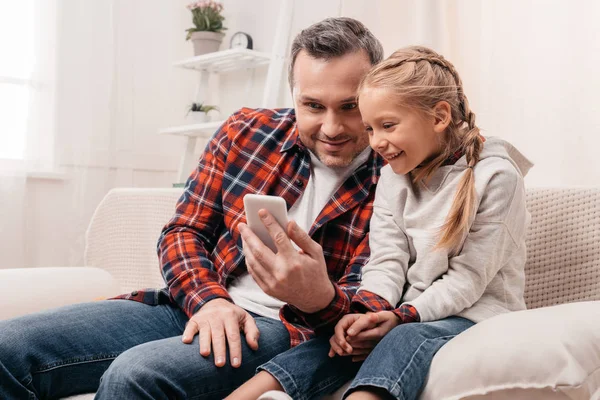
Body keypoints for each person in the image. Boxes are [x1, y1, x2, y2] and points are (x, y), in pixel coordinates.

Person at [0, 18, 385, 400]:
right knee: (8, 346)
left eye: (350, 107)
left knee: (136, 375)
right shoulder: (246, 132)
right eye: (313, 105)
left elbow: (367, 310)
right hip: (193, 303)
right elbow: (183, 231)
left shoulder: (396, 175)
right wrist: (210, 300)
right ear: (294, 94)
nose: (332, 128)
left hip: (284, 329)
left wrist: (318, 298)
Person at [233, 46, 533, 400]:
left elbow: (468, 280)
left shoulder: (496, 176)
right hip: (408, 309)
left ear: (439, 117)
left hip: (477, 313)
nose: (376, 143)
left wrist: (404, 316)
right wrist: (365, 311)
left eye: (387, 126)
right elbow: (386, 259)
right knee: (336, 342)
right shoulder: (394, 175)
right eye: (370, 129)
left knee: (403, 338)